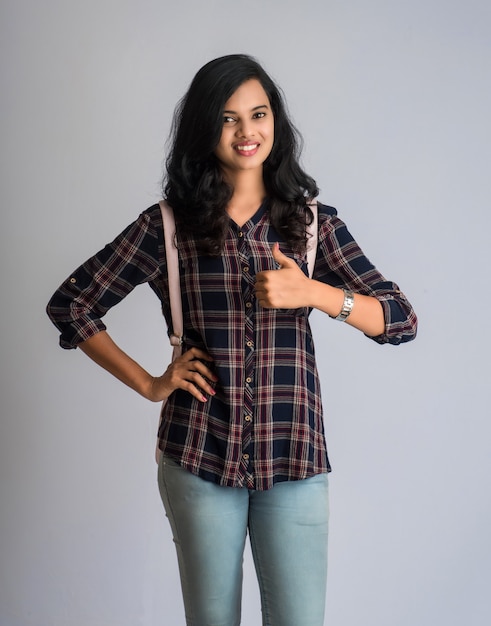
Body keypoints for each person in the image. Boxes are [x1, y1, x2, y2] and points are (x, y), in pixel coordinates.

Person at [47, 54, 417, 626]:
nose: (247, 132)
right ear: (205, 128)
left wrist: (314, 293)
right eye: (228, 118)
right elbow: (73, 304)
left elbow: (399, 318)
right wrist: (150, 382)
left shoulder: (313, 225)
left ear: (277, 122)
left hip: (293, 459)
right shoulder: (168, 225)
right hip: (199, 456)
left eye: (259, 113)